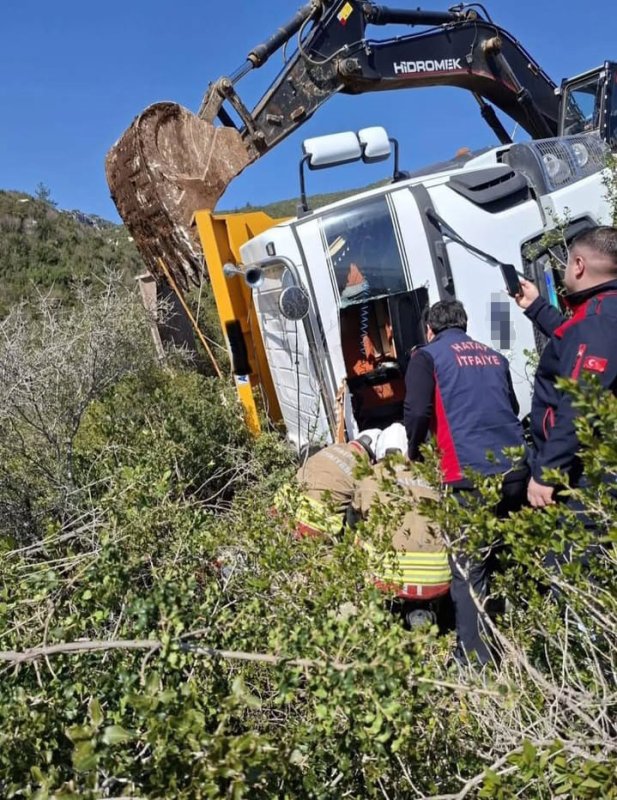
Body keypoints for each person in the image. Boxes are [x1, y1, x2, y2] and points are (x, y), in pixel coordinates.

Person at [403, 300, 528, 665]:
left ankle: (476, 661)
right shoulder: (493, 356)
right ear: (465, 325)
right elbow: (512, 407)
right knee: (506, 557)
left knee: (468, 570)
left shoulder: (426, 358)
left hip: (468, 476)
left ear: (429, 330)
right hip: (516, 472)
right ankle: (522, 635)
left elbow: (417, 412)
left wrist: (415, 452)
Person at [513, 226, 617, 508]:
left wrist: (548, 470)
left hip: (590, 473)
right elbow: (575, 340)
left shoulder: (598, 320)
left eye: (568, 263)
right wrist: (536, 306)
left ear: (579, 265)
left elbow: (582, 400)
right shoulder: (603, 313)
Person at [274, 430, 381, 538]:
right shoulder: (365, 469)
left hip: (281, 507)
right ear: (373, 458)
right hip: (313, 528)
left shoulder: (333, 447)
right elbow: (357, 512)